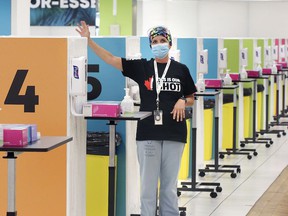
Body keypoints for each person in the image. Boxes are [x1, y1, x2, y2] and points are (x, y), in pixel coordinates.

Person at [76, 21, 197, 216]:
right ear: (150, 45)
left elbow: (191, 97)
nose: (159, 44)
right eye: (155, 41)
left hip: (175, 133)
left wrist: (183, 100)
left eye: (163, 40)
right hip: (148, 133)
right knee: (148, 189)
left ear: (170, 44)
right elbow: (110, 59)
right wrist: (89, 41)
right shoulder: (142, 67)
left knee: (169, 188)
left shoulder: (181, 70)